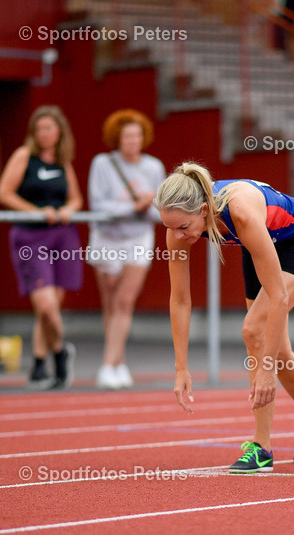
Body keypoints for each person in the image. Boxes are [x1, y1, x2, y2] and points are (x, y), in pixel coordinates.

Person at [155, 164, 294, 473]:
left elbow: (278, 296)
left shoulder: (239, 211)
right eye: (169, 228)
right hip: (257, 246)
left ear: (203, 209)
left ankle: (261, 447)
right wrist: (181, 367)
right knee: (277, 350)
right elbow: (180, 299)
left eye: (183, 227)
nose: (178, 236)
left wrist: (266, 372)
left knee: (254, 331)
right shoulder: (179, 230)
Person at [0, 105, 82, 389]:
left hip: (62, 236)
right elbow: (4, 192)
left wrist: (68, 209)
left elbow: (76, 199)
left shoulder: (62, 161)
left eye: (49, 128)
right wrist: (36, 210)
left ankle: (39, 362)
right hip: (30, 236)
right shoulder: (24, 156)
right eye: (39, 128)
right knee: (45, 306)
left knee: (52, 307)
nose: (44, 133)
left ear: (60, 132)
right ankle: (60, 354)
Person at [87, 109, 166, 390]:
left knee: (124, 301)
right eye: (127, 136)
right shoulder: (102, 164)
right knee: (109, 302)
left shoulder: (154, 167)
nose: (132, 140)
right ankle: (118, 362)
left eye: (137, 135)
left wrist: (148, 205)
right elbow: (98, 205)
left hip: (138, 238)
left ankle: (107, 365)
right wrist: (132, 207)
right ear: (117, 139)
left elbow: (163, 212)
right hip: (107, 238)